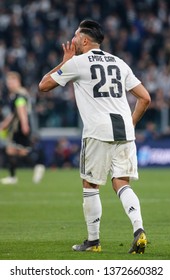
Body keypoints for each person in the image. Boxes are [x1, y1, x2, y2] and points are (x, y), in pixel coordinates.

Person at [39, 19, 151, 254]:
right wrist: (130, 124)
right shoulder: (119, 63)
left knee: (90, 184)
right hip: (124, 132)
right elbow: (145, 98)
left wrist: (64, 62)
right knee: (121, 183)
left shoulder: (78, 63)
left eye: (76, 37)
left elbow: (44, 85)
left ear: (85, 40)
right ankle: (139, 230)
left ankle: (93, 241)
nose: (73, 40)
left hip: (97, 131)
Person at [0, 71, 45, 184]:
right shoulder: (18, 94)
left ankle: (37, 166)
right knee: (12, 150)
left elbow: (21, 110)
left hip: (19, 127)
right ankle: (13, 176)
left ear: (18, 81)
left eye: (12, 81)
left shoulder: (19, 95)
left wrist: (24, 125)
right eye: (8, 82)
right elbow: (14, 113)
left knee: (20, 151)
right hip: (18, 126)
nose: (9, 84)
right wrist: (5, 124)